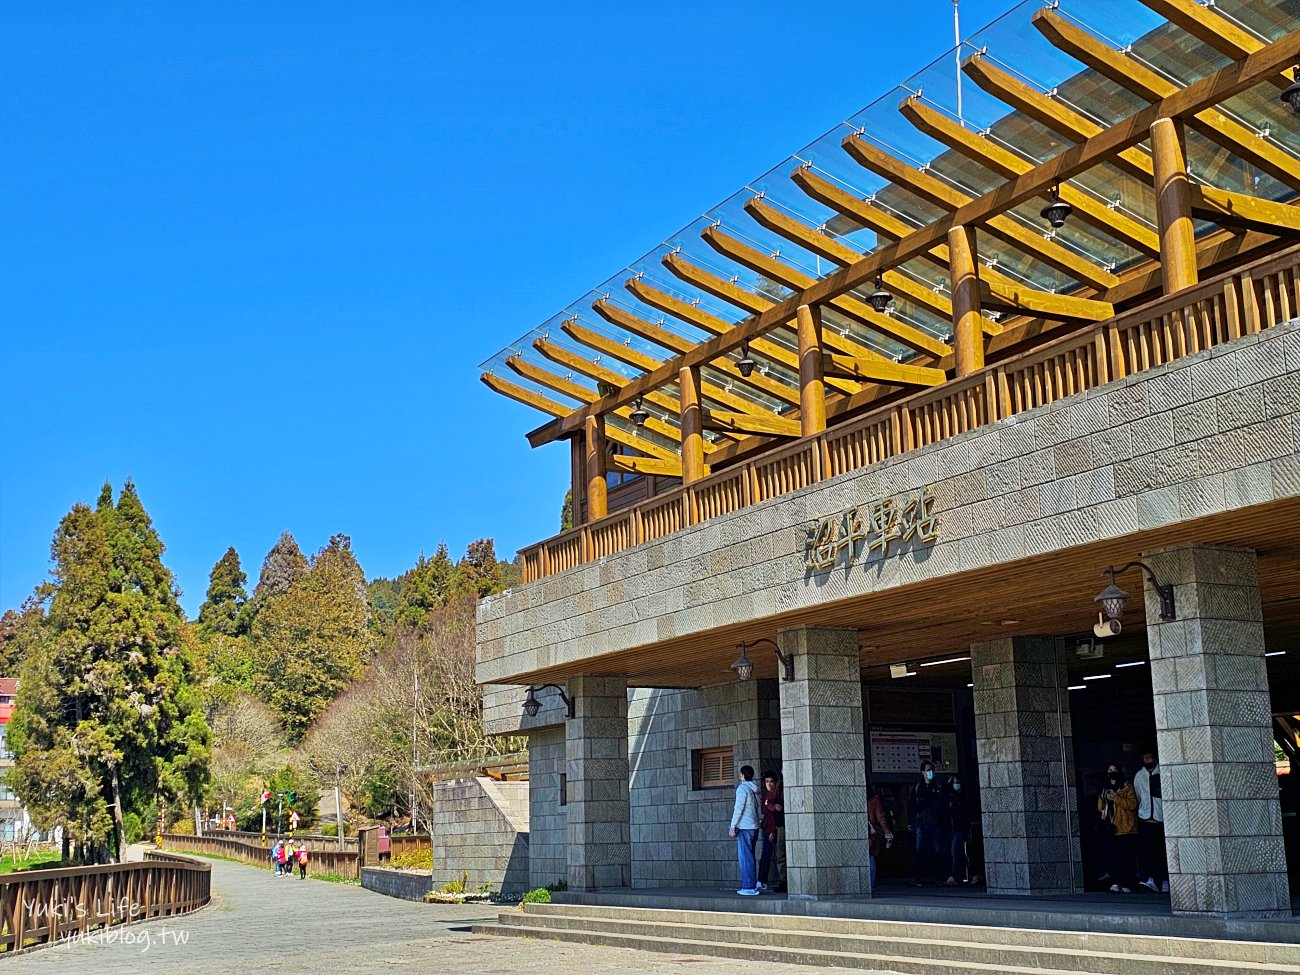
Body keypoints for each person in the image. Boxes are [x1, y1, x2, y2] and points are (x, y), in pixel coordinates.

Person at [1098, 762, 1139, 893]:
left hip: (1126, 827)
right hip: (1111, 826)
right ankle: (1116, 881)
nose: (1112, 772)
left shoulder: (1127, 787)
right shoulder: (1105, 787)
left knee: (1127, 857)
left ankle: (1128, 883)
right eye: (1110, 769)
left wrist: (1115, 797)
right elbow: (1100, 808)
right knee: (1114, 857)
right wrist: (1103, 797)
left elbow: (1132, 805)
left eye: (1115, 769)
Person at [1133, 750, 1168, 894]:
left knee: (1163, 852)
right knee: (1148, 853)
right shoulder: (1139, 776)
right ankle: (1152, 879)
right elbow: (1138, 796)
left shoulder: (1163, 772)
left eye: (1149, 757)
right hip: (1146, 819)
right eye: (1145, 758)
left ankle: (1165, 882)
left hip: (1161, 819)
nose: (1147, 760)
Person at [728, 764, 762, 896]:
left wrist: (732, 826)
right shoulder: (754, 789)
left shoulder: (742, 789)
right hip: (754, 827)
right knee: (750, 857)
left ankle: (748, 887)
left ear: (743, 775)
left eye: (740, 774)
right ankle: (752, 885)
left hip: (745, 827)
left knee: (745, 858)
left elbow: (738, 809)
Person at [909, 760, 944, 885]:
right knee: (919, 849)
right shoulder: (918, 787)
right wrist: (910, 821)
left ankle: (938, 877)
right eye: (928, 770)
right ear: (923, 772)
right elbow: (913, 805)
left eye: (932, 770)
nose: (931, 773)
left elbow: (941, 804)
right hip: (921, 822)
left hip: (934, 822)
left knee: (937, 849)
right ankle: (918, 877)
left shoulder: (938, 786)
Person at [757, 771, 786, 893]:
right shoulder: (767, 795)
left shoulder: (777, 793)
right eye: (767, 782)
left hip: (777, 827)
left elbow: (777, 810)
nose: (769, 784)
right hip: (770, 828)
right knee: (773, 855)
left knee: (780, 854)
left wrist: (772, 830)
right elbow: (768, 811)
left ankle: (783, 881)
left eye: (771, 782)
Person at [942, 775, 973, 886]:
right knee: (958, 852)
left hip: (960, 828)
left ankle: (953, 876)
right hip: (952, 828)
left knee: (955, 851)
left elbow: (965, 813)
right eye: (954, 782)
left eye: (958, 782)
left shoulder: (962, 797)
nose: (956, 784)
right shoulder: (950, 796)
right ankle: (973, 873)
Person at [866, 785, 893, 888]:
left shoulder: (873, 801)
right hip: (871, 831)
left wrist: (886, 831)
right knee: (870, 857)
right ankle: (870, 886)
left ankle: (870, 886)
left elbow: (881, 817)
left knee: (870, 857)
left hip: (870, 832)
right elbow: (881, 817)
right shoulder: (874, 800)